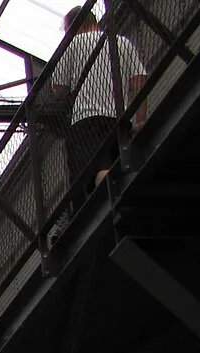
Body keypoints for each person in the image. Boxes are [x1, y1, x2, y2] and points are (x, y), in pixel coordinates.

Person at [45, 8, 146, 209]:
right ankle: (125, 191)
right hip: (118, 119)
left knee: (89, 175)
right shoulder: (121, 42)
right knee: (117, 160)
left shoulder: (73, 45)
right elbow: (139, 82)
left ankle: (108, 191)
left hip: (85, 120)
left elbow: (58, 89)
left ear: (75, 27)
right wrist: (141, 119)